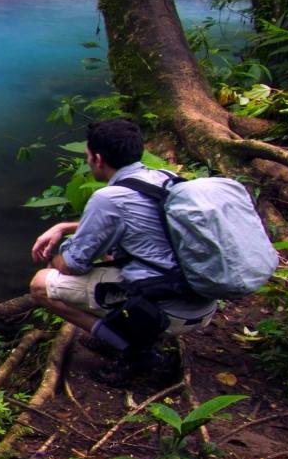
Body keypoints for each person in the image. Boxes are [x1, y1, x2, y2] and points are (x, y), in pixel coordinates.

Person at [28, 118, 218, 383]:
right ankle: (128, 329)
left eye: (87, 156)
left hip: (171, 311)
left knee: (42, 283)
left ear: (97, 158)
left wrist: (55, 256)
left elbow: (73, 264)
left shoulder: (108, 198)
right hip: (202, 301)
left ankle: (132, 349)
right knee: (111, 257)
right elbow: (136, 221)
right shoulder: (164, 178)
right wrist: (66, 226)